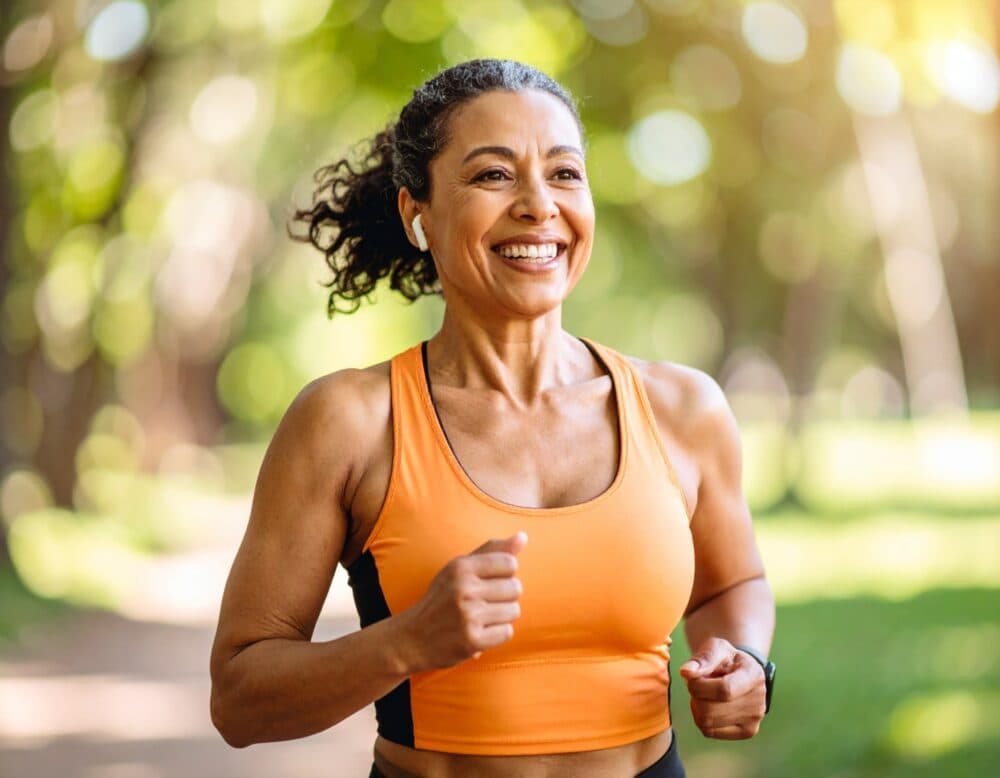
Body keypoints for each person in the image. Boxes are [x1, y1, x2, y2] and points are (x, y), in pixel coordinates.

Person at [209, 58, 776, 778]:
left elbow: (731, 587)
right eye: (493, 175)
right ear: (420, 215)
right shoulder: (349, 422)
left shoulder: (682, 409)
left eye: (565, 173)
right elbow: (238, 700)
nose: (539, 204)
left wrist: (746, 661)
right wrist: (407, 642)